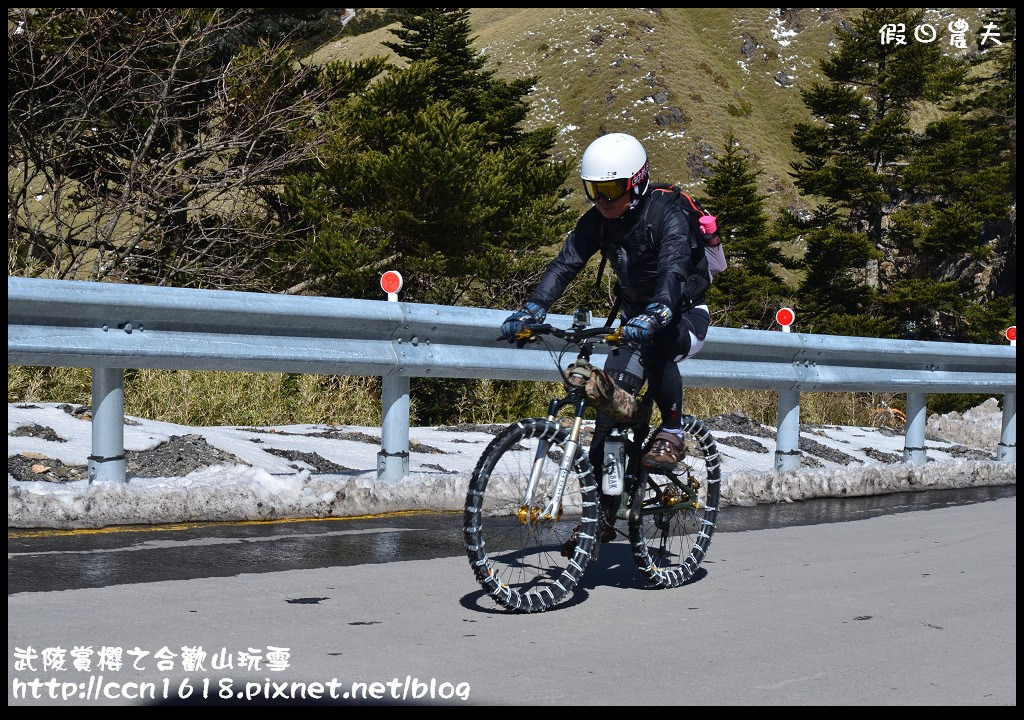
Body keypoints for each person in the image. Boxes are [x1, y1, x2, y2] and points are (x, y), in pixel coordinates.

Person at [499, 132, 713, 543]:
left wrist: (662, 309)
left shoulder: (667, 211)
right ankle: (601, 517)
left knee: (659, 347)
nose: (602, 200)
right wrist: (533, 309)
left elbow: (673, 266)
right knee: (606, 411)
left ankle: (672, 432)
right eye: (593, 190)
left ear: (636, 181)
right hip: (634, 319)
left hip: (684, 313)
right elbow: (565, 265)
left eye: (611, 190)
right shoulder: (597, 221)